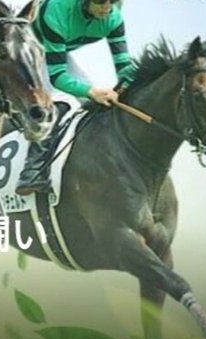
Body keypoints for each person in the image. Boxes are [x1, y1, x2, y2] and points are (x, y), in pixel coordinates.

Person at [15, 0, 134, 195]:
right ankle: (32, 172)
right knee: (59, 102)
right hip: (25, 48)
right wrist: (91, 92)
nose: (107, 7)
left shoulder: (114, 18)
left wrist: (120, 91)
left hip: (55, 51)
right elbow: (57, 77)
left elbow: (125, 69)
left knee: (98, 105)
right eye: (100, 1)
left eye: (112, 1)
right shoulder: (57, 10)